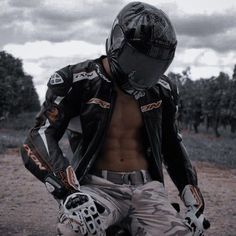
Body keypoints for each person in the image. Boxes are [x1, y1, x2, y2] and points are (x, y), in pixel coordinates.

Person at [21, 2, 210, 236]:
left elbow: (171, 143)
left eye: (152, 65)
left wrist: (191, 196)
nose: (141, 73)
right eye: (137, 59)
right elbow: (38, 135)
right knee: (75, 230)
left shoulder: (163, 89)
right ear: (116, 40)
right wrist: (68, 190)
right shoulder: (76, 80)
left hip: (147, 190)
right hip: (96, 187)